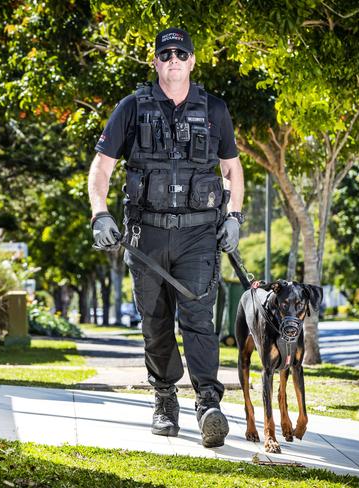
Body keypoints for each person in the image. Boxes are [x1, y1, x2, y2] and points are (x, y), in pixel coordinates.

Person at [87, 27, 244, 448]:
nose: (173, 59)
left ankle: (209, 404)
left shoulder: (214, 110)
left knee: (198, 321)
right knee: (156, 324)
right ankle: (164, 399)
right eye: (165, 53)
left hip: (198, 237)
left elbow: (232, 169)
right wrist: (99, 213)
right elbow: (101, 167)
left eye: (181, 53)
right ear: (155, 61)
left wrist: (235, 217)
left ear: (193, 61)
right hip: (146, 237)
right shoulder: (131, 109)